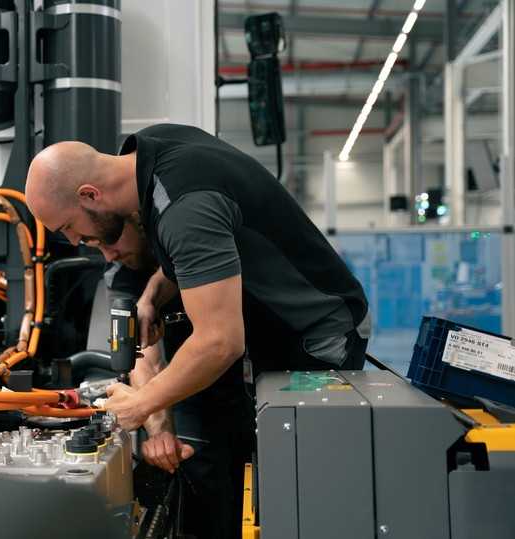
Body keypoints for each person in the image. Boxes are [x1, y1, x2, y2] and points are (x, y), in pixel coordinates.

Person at [25, 123, 371, 539]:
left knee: (305, 492)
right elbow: (211, 242)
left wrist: (140, 405)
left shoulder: (183, 209)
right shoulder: (159, 149)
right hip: (278, 335)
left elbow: (219, 341)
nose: (78, 241)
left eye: (67, 228)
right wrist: (153, 289)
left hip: (315, 334)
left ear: (89, 195)